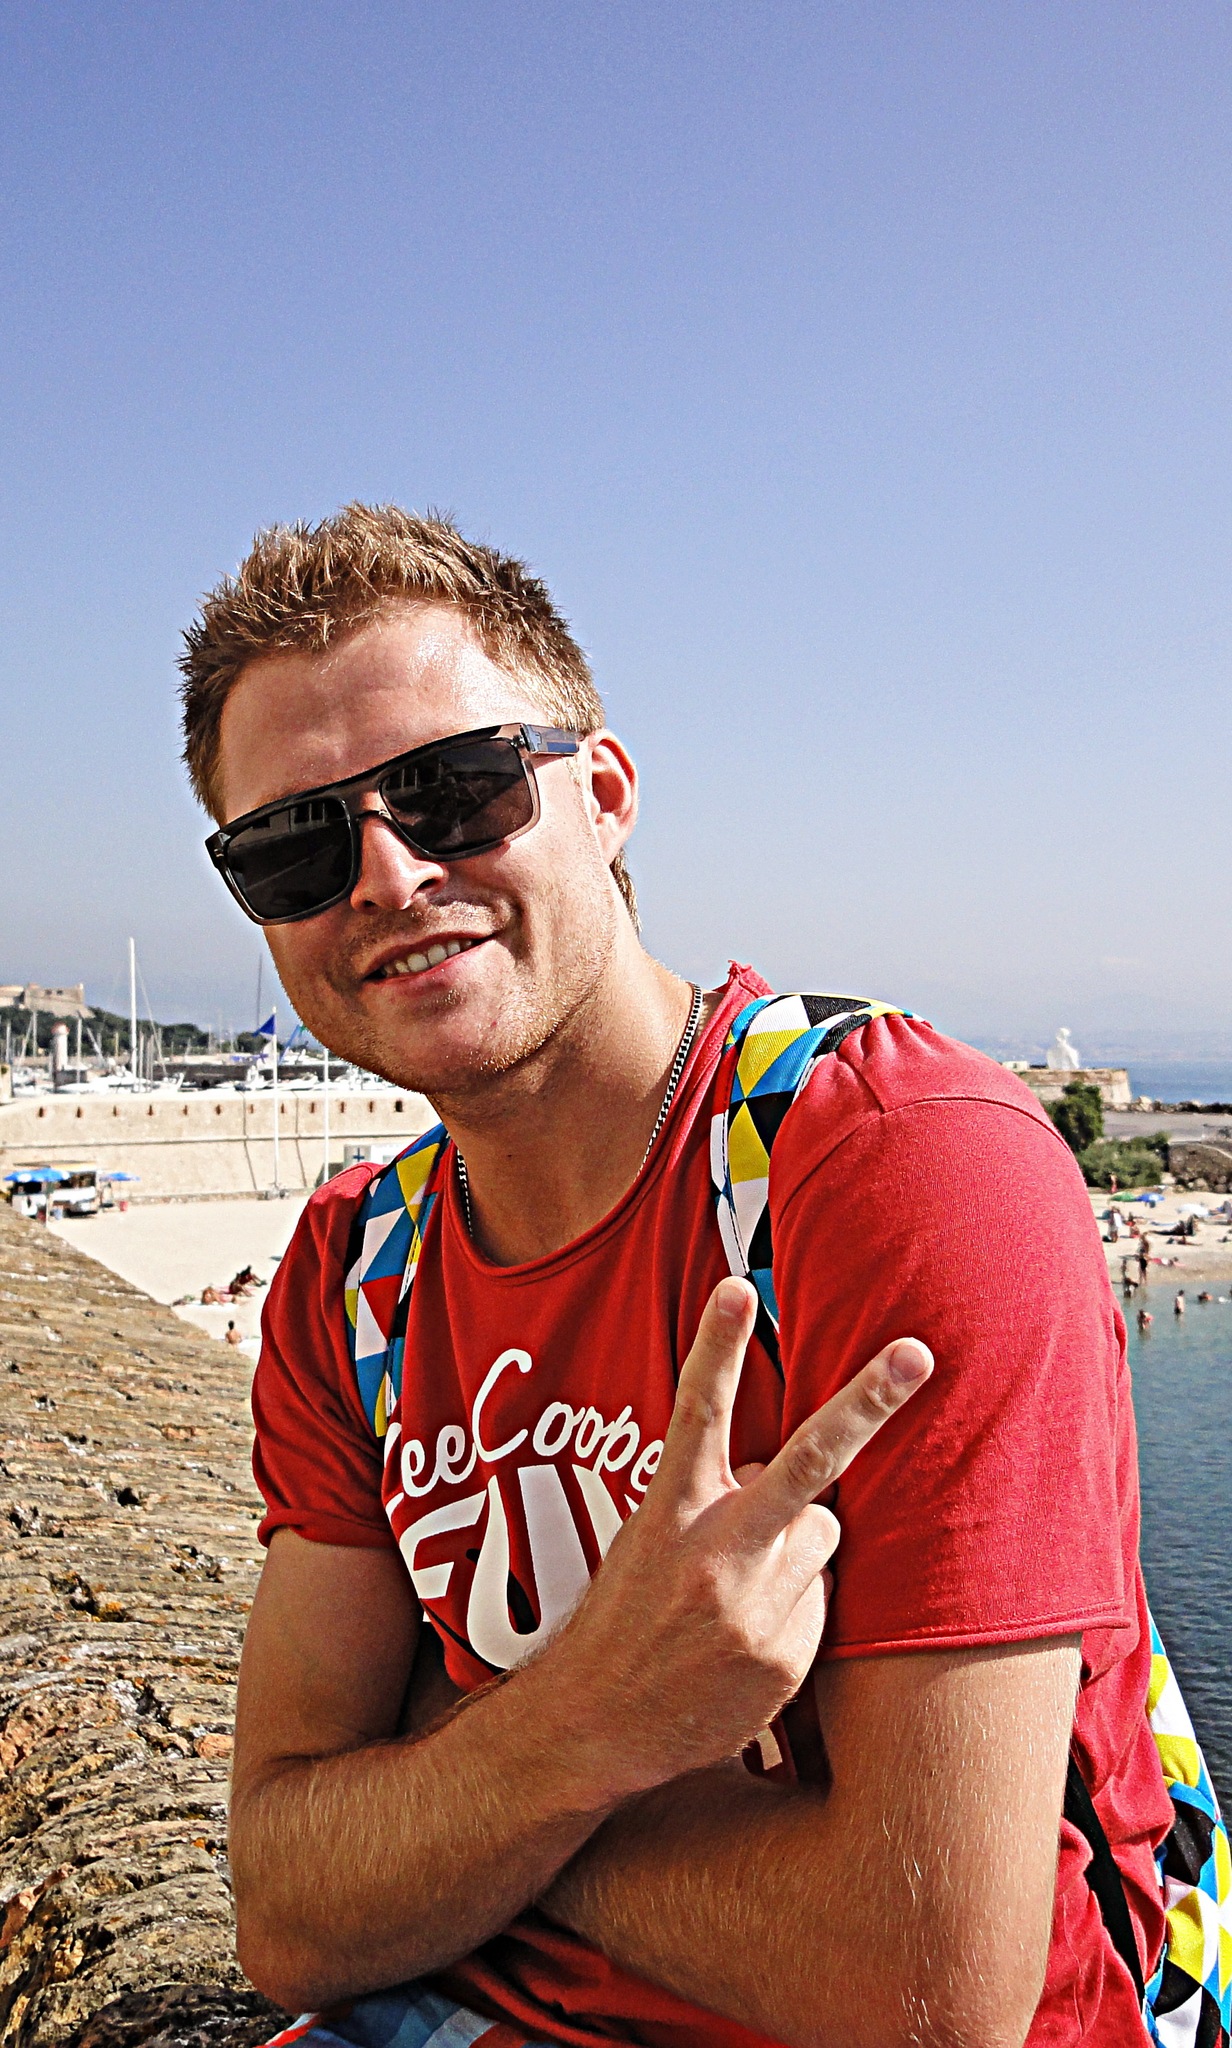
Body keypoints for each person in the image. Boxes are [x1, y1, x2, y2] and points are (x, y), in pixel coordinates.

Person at [181, 506, 1171, 2048]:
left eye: (453, 790)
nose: (386, 876)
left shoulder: (901, 1169)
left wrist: (469, 1773)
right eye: (293, 847)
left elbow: (925, 1995)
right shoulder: (353, 1276)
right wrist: (595, 1721)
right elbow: (291, 1915)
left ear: (605, 796)